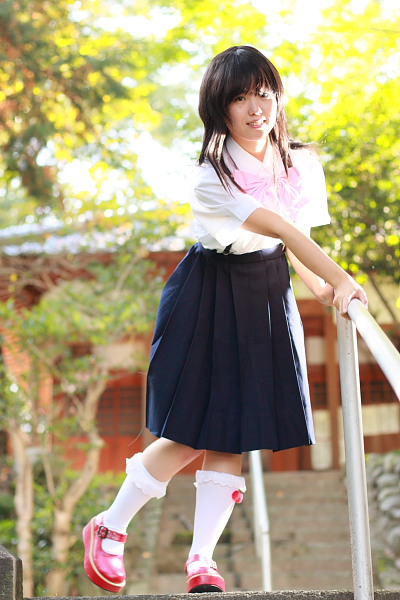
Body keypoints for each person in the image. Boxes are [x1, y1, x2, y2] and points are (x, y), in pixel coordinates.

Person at [82, 45, 368, 594]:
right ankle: (110, 526)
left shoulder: (301, 164)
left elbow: (297, 244)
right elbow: (283, 230)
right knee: (192, 430)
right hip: (209, 291)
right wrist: (343, 276)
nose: (256, 107)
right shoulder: (211, 175)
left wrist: (327, 290)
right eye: (240, 98)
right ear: (220, 107)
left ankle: (202, 561)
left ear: (277, 95)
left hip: (267, 289)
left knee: (235, 431)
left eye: (264, 92)